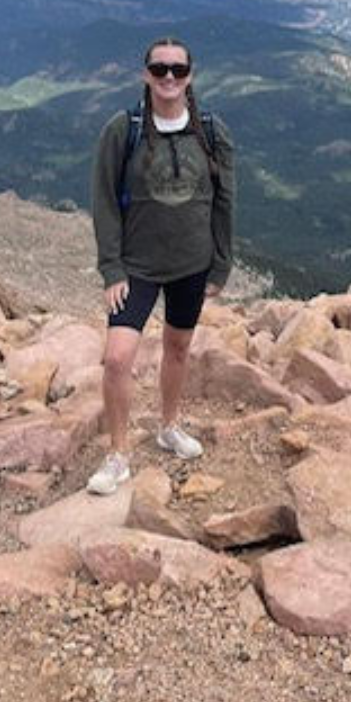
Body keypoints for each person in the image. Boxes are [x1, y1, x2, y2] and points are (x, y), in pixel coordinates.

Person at [86, 36, 235, 495]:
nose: (168, 78)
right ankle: (118, 454)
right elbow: (104, 199)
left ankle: (169, 426)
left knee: (177, 347)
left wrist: (221, 266)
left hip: (192, 262)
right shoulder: (122, 128)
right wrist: (111, 267)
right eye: (159, 69)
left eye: (177, 70)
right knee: (117, 359)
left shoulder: (210, 131)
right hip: (137, 267)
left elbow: (225, 201)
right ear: (145, 74)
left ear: (190, 75)